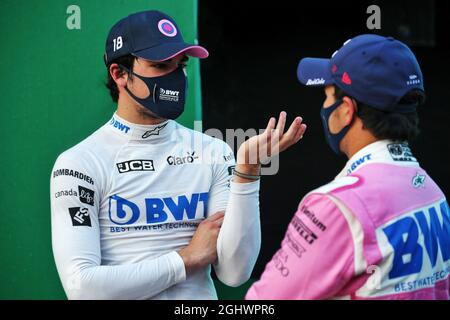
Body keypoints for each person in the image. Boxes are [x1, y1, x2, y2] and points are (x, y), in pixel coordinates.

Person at [50, 10, 306, 300]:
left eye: (180, 65)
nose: (174, 76)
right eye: (160, 65)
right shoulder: (79, 163)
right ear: (120, 74)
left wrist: (247, 171)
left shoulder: (213, 152)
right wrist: (184, 260)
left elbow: (235, 273)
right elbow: (82, 288)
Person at [246, 34, 450, 300]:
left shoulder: (336, 206)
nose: (324, 106)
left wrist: (246, 172)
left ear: (346, 110)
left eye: (327, 96)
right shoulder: (433, 194)